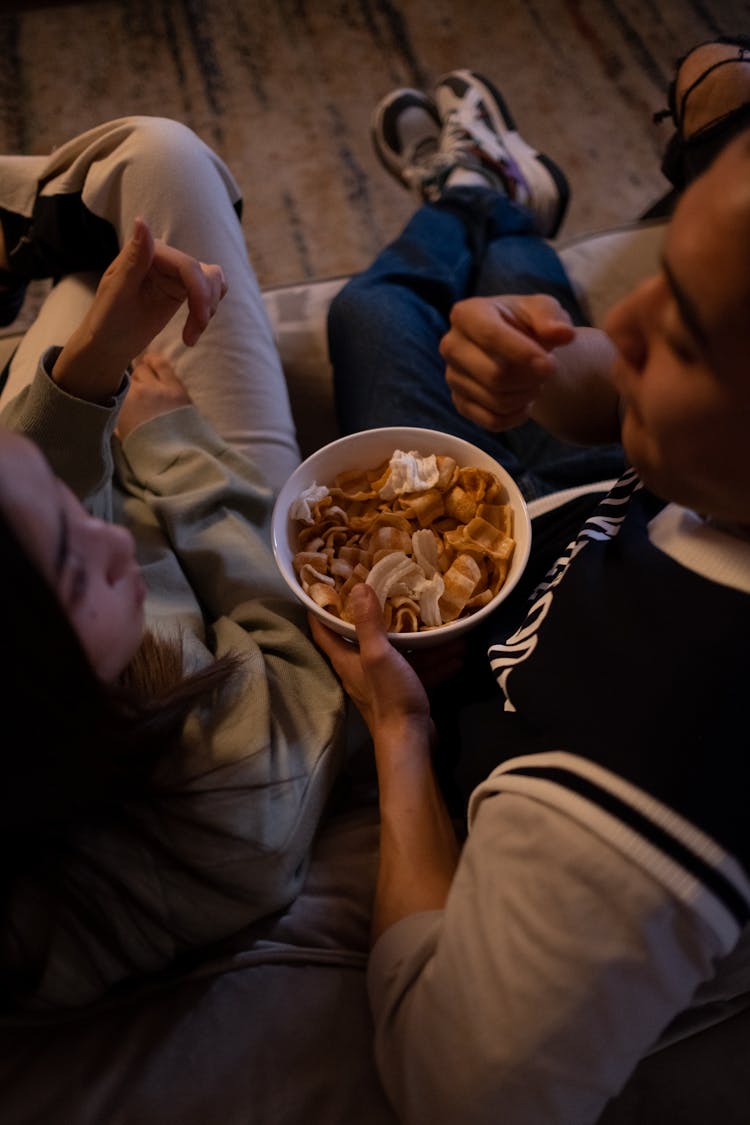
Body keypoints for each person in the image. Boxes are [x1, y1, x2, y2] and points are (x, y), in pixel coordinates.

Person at [312, 38, 750, 1125]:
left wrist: (400, 735)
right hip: (593, 494)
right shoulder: (718, 463)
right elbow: (616, 391)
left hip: (488, 625)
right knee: (507, 299)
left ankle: (473, 190)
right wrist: (549, 371)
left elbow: (449, 1086)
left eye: (681, 334)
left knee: (372, 314)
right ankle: (498, 198)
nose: (627, 323)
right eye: (661, 276)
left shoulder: (659, 764)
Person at [0, 118, 346, 1010]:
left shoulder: (41, 700)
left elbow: (44, 500)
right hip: (205, 503)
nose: (106, 536)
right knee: (163, 156)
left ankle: (34, 241)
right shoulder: (234, 805)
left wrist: (85, 373)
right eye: (81, 571)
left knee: (120, 249)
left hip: (95, 444)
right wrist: (172, 444)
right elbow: (287, 627)